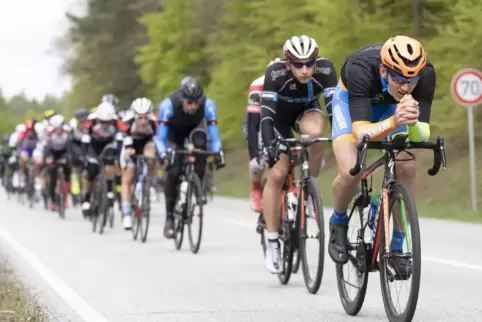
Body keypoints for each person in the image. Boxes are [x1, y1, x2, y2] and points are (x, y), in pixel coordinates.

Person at [328, 36, 435, 274]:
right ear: (383, 70)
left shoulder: (426, 74)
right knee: (351, 170)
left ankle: (397, 245)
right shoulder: (360, 70)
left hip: (391, 109)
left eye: (411, 80)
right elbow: (361, 132)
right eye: (398, 78)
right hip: (350, 105)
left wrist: (413, 120)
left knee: (406, 167)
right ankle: (338, 221)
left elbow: (421, 135)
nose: (406, 87)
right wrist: (396, 120)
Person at [260, 35, 338, 273]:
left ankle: (310, 187)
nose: (305, 70)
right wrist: (270, 144)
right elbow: (265, 117)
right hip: (279, 119)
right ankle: (272, 240)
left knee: (317, 133)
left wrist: (341, 137)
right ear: (288, 63)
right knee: (277, 174)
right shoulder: (275, 74)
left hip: (306, 111)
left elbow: (335, 110)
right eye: (298, 64)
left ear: (316, 60)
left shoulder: (326, 70)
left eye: (309, 63)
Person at [155, 76, 225, 239]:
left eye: (196, 102)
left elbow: (214, 136)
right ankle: (170, 218)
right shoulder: (168, 105)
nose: (193, 106)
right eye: (189, 102)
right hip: (173, 135)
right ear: (182, 98)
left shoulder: (208, 105)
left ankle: (196, 184)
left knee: (202, 144)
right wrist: (164, 152)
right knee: (173, 171)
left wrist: (217, 151)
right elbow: (160, 138)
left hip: (195, 130)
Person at [245, 58, 282, 214]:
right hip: (257, 119)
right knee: (260, 158)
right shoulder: (257, 87)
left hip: (280, 119)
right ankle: (256, 187)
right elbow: (253, 126)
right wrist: (254, 156)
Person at [120, 97, 157, 230]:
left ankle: (149, 183)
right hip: (130, 143)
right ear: (135, 115)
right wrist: (129, 150)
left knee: (152, 156)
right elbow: (125, 140)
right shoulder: (127, 121)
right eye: (140, 118)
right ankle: (126, 215)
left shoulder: (154, 122)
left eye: (145, 118)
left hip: (146, 142)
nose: (143, 121)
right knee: (128, 177)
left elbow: (157, 138)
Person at [81, 102, 120, 217]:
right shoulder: (90, 123)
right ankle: (87, 200)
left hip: (108, 145)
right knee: (91, 172)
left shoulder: (117, 123)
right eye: (102, 122)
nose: (105, 125)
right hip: (93, 146)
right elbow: (85, 142)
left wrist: (118, 155)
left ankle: (109, 191)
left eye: (107, 122)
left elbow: (120, 141)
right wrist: (85, 157)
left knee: (110, 165)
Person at [43, 115, 72, 211]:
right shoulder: (49, 133)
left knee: (68, 169)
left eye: (60, 127)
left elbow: (70, 146)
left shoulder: (67, 132)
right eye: (56, 128)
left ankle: (65, 195)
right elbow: (46, 147)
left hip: (64, 153)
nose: (58, 129)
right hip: (53, 154)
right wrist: (48, 157)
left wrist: (69, 156)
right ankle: (53, 201)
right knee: (52, 178)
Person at [69, 108, 91, 203]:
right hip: (76, 146)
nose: (83, 120)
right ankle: (75, 192)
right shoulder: (73, 125)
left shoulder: (90, 124)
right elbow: (70, 142)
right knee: (75, 168)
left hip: (87, 146)